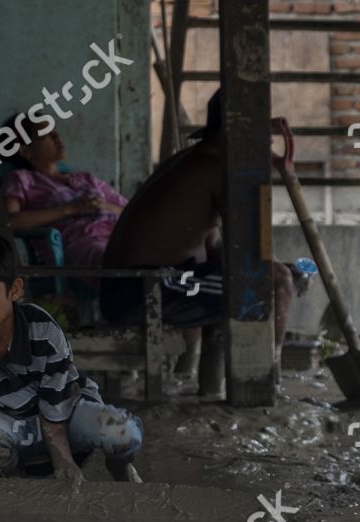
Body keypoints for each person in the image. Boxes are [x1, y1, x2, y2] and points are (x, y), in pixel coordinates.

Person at [100, 89, 296, 387]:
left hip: (136, 287)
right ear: (239, 129)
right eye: (261, 128)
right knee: (275, 281)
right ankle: (264, 383)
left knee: (268, 275)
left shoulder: (196, 160)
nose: (268, 137)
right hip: (144, 290)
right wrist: (279, 272)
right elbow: (250, 252)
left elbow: (215, 246)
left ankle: (208, 385)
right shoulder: (217, 168)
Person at [0, 230, 143, 485]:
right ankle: (15, 486)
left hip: (67, 419)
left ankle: (120, 468)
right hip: (16, 431)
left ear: (14, 289)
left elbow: (56, 403)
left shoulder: (42, 328)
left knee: (122, 431)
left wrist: (63, 461)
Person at [0, 112, 128, 268]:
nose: (57, 138)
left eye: (55, 132)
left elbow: (132, 211)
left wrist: (103, 206)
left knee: (153, 252)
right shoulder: (21, 179)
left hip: (118, 237)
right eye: (47, 135)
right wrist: (69, 209)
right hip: (81, 244)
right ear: (25, 150)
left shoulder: (86, 178)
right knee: (114, 260)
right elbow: (10, 221)